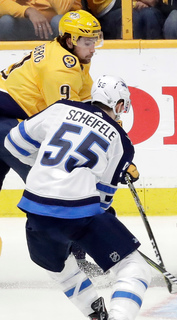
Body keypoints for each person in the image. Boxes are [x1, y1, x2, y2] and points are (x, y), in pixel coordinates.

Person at [4, 75, 154, 320]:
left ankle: (96, 314)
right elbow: (103, 198)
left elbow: (13, 144)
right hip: (78, 212)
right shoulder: (121, 141)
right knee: (134, 267)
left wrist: (49, 170)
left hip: (34, 207)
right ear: (119, 104)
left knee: (58, 265)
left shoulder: (60, 108)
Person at [0, 9, 110, 273]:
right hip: (6, 124)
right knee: (56, 187)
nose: (93, 47)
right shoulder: (61, 69)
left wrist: (110, 125)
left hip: (7, 121)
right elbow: (65, 121)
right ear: (70, 39)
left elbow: (86, 101)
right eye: (87, 41)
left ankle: (77, 254)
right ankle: (78, 259)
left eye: (95, 39)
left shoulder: (71, 53)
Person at [84, 0, 169, 39]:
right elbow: (100, 7)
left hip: (147, 8)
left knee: (151, 15)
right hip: (109, 14)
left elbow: (153, 1)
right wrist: (133, 4)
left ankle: (155, 60)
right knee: (132, 18)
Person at [0, 0, 81, 40]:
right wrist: (28, 11)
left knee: (58, 21)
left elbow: (62, 8)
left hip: (58, 27)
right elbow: (2, 4)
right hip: (28, 23)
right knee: (6, 22)